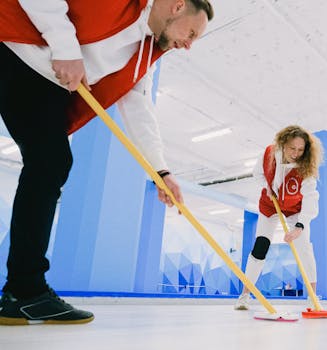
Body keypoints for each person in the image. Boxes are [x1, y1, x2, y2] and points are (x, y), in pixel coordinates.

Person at [0, 0, 214, 325]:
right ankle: (24, 291)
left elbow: (139, 107)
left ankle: (23, 292)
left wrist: (161, 171)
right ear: (177, 6)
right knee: (50, 161)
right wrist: (65, 47)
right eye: (192, 32)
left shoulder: (145, 53)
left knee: (51, 162)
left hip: (47, 85)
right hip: (17, 52)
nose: (188, 45)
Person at [234, 125, 323, 310]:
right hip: (269, 205)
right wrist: (268, 188)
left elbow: (310, 198)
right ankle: (244, 295)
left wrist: (299, 226)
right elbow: (257, 174)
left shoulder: (306, 167)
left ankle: (313, 297)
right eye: (292, 148)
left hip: (294, 209)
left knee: (304, 247)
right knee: (260, 247)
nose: (296, 153)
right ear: (283, 144)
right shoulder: (268, 153)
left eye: (300, 149)